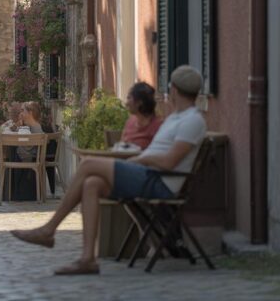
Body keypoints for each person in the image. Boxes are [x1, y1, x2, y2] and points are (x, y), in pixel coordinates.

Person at [10, 65, 207, 275]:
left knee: (87, 164)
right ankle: (88, 259)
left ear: (174, 90)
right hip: (148, 174)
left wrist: (143, 158)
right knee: (91, 184)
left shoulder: (192, 120)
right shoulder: (176, 118)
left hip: (160, 182)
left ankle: (48, 230)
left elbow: (169, 162)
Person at [118, 82, 163, 150]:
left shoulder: (158, 126)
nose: (126, 103)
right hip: (124, 159)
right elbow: (121, 147)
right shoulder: (130, 122)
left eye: (129, 98)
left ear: (139, 102)